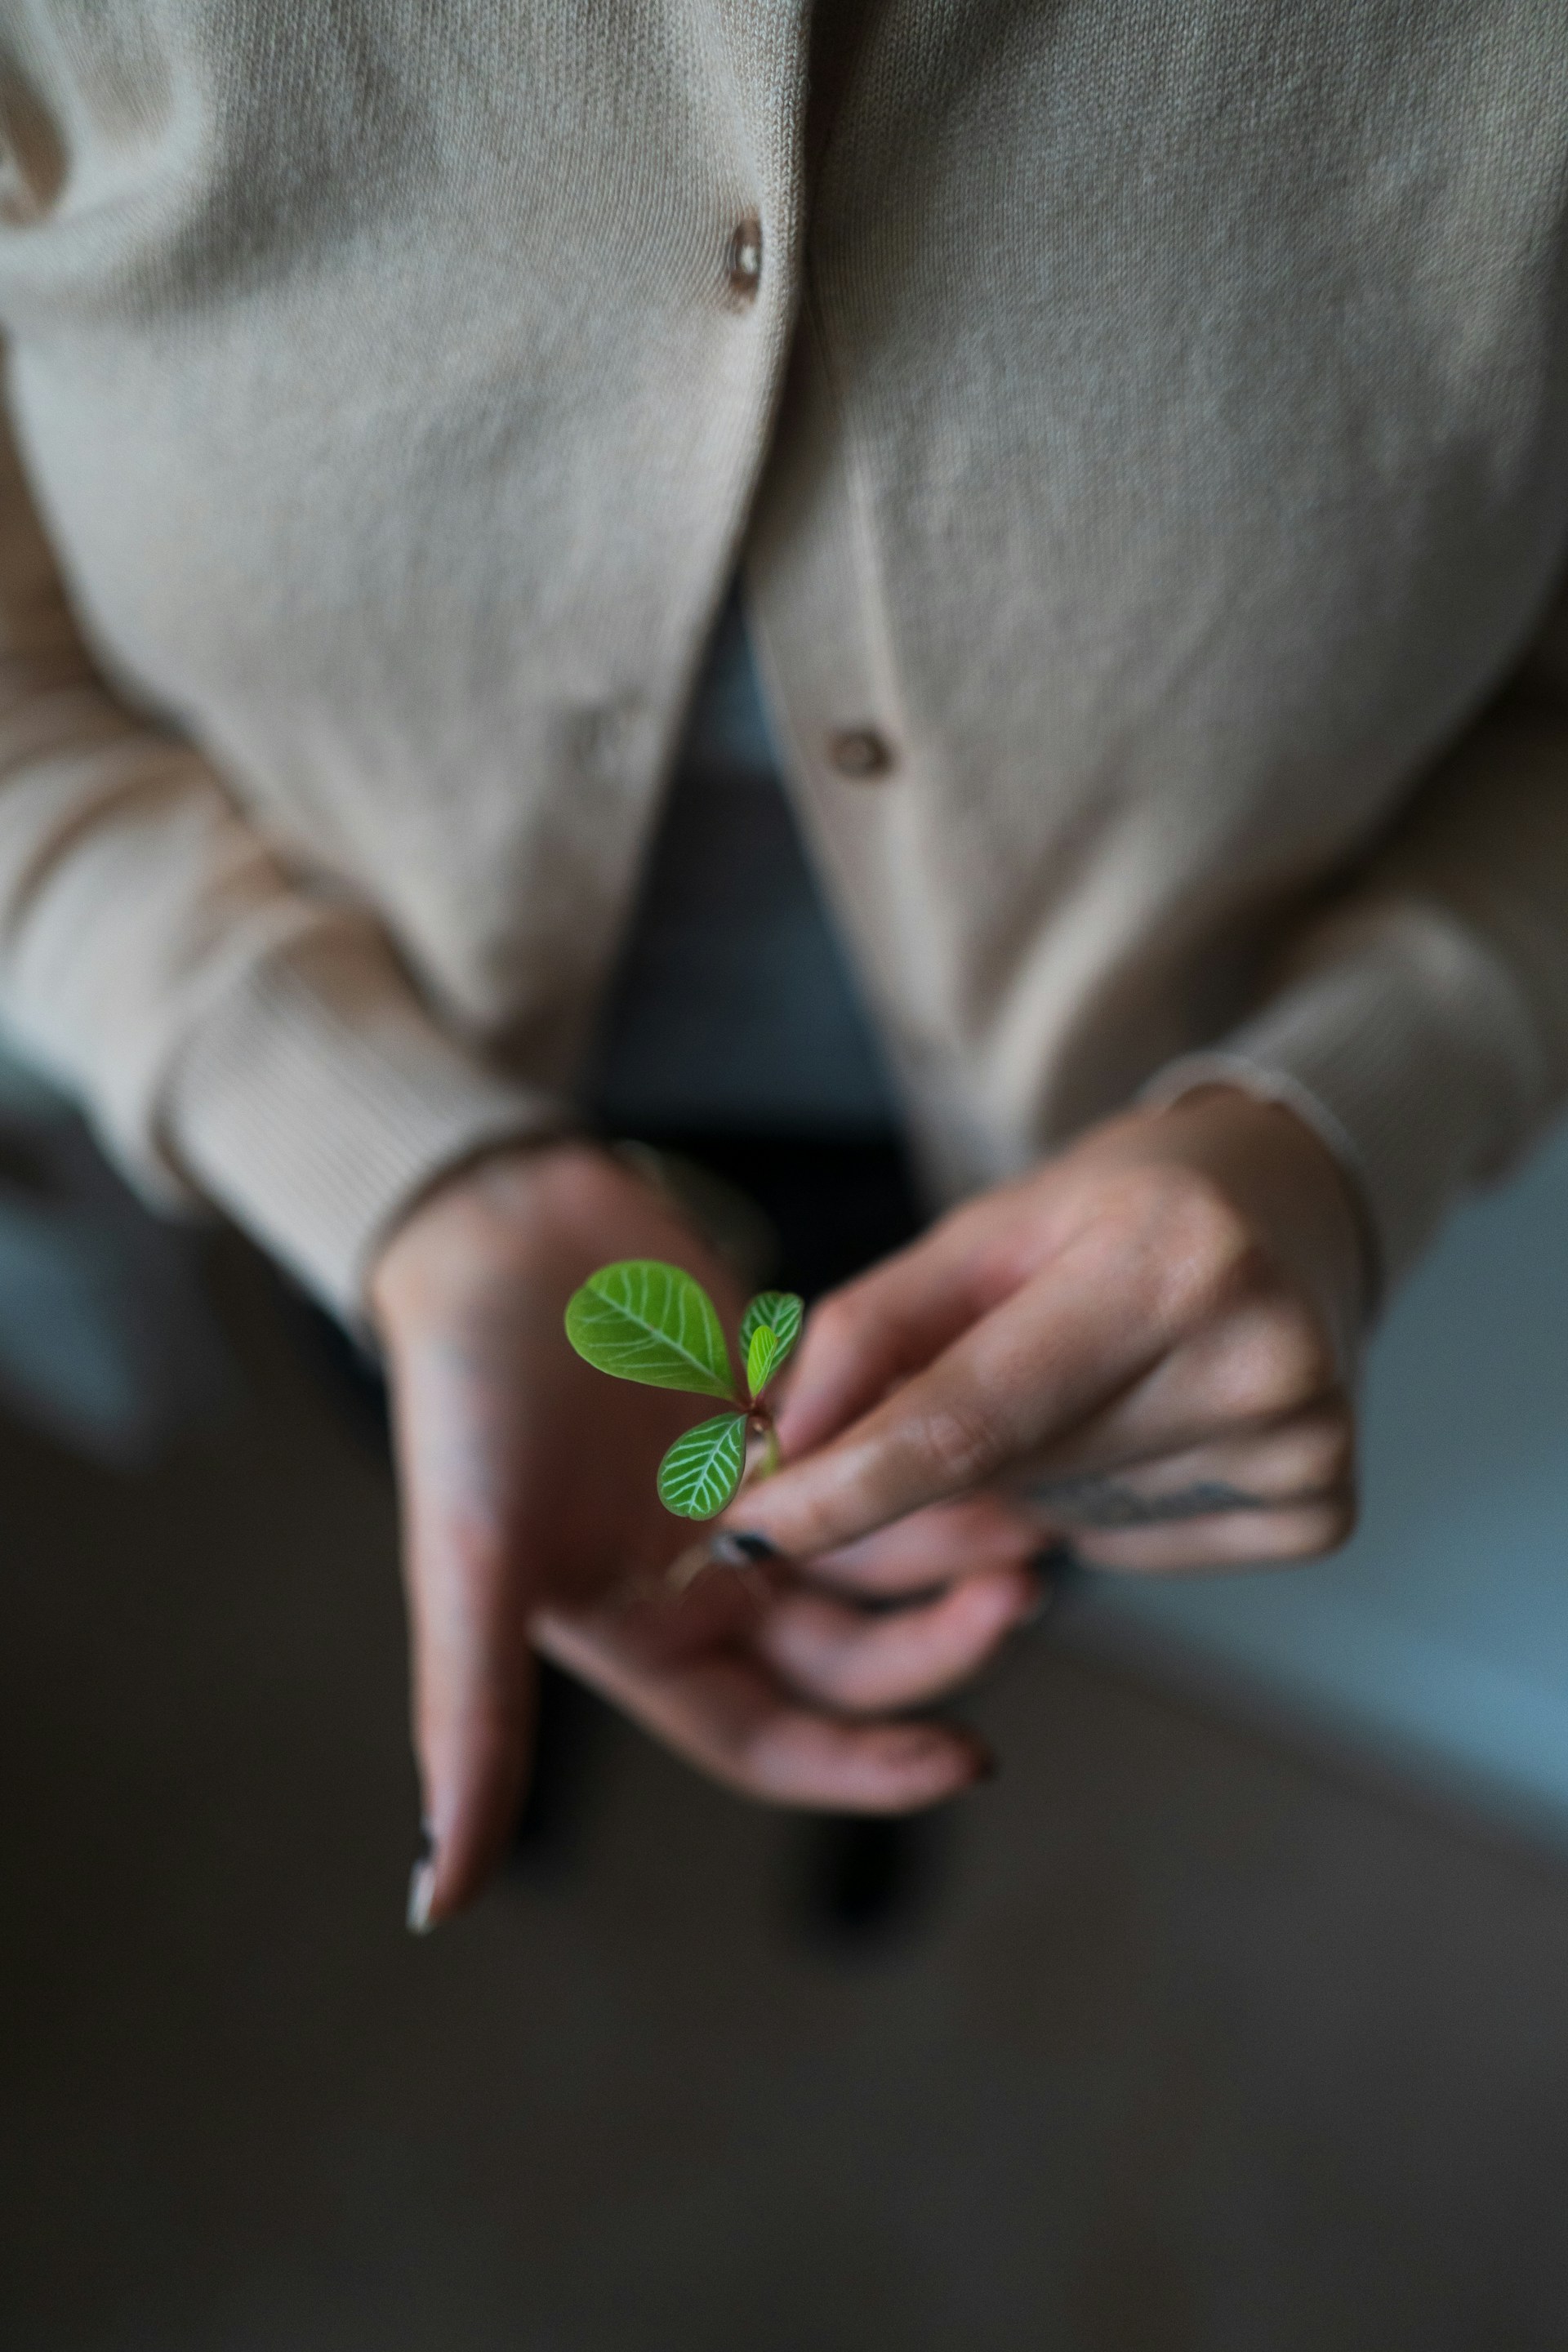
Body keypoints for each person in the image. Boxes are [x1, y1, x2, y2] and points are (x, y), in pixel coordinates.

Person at [2, 7, 1566, 1932]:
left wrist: (1341, 1117)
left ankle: (876, 1818)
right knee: (523, 1572)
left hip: (1094, 1223)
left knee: (940, 1594)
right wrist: (368, 1156)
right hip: (392, 1165)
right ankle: (561, 1771)